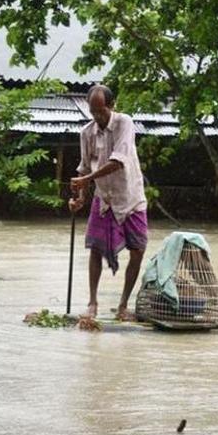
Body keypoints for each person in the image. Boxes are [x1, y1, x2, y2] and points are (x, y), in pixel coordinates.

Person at [69, 85, 148, 320]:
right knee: (95, 248)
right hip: (104, 198)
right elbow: (84, 167)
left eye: (101, 112)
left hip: (130, 196)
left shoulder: (124, 123)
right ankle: (92, 303)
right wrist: (79, 198)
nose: (97, 117)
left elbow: (118, 161)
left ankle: (123, 306)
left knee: (138, 250)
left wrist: (86, 179)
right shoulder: (87, 133)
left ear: (112, 106)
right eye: (92, 112)